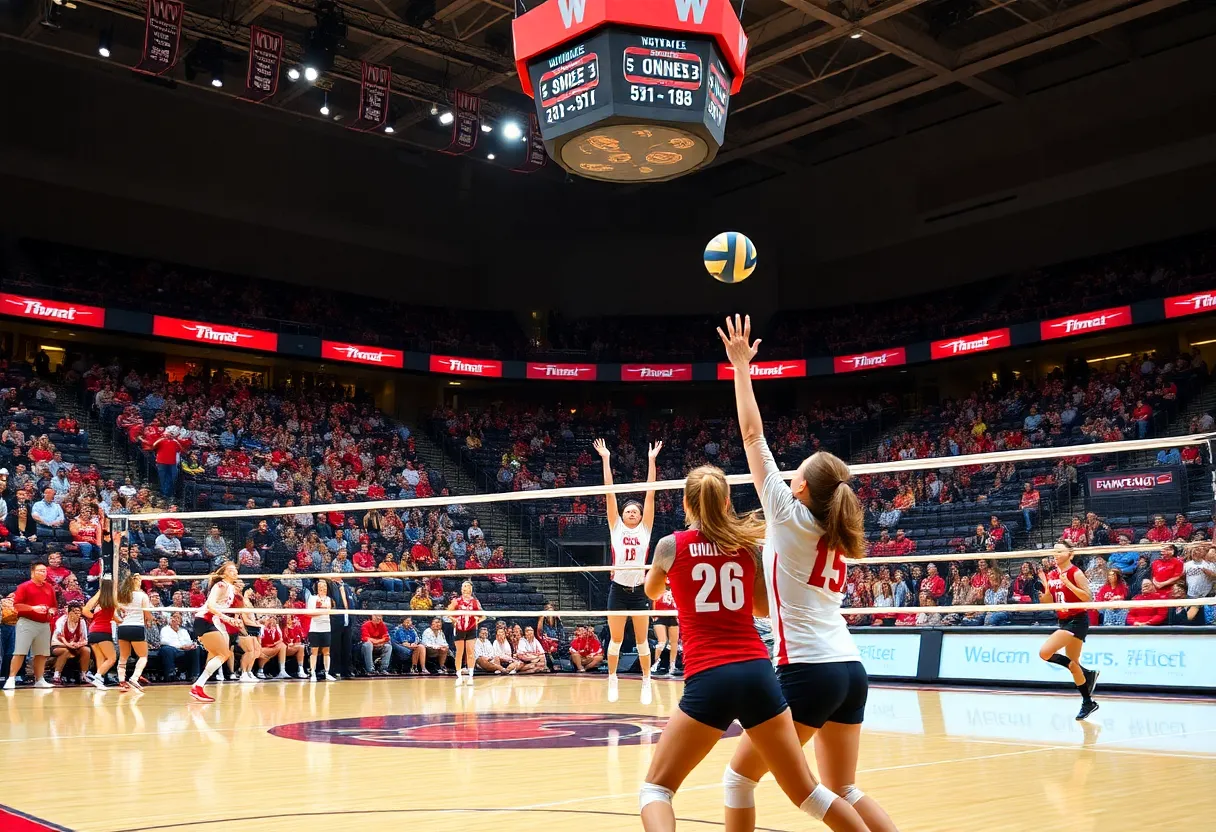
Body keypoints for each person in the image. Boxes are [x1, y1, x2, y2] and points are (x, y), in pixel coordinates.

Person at [717, 314, 897, 832]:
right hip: (850, 668)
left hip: (808, 670)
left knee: (739, 780)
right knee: (844, 787)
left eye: (796, 470)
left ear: (799, 488)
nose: (788, 472)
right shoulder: (836, 530)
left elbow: (752, 434)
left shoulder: (786, 513)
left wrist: (741, 367)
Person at [638, 459, 867, 832]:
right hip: (758, 673)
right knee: (808, 792)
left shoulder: (669, 546)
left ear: (686, 504)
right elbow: (760, 607)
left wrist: (677, 579)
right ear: (727, 501)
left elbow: (651, 591)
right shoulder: (747, 548)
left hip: (709, 676)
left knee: (656, 790)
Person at [593, 435, 662, 704]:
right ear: (621, 515)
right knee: (616, 639)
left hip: (640, 591)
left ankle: (646, 680)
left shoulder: (645, 529)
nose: (632, 513)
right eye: (629, 511)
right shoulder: (616, 528)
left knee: (643, 641)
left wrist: (651, 460)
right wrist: (606, 459)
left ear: (642, 516)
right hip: (618, 590)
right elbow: (609, 492)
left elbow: (651, 493)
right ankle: (612, 679)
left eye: (636, 511)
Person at [1037, 542, 1099, 720]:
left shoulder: (1075, 573)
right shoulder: (1052, 574)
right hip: (1063, 620)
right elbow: (1048, 603)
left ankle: (1086, 673)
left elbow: (1088, 598)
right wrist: (1045, 588)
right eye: (1054, 551)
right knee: (1073, 664)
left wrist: (1068, 583)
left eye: (1059, 551)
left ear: (1070, 554)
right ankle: (1088, 702)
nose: (1055, 554)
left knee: (1045, 652)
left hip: (1077, 620)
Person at [189, 562, 242, 703]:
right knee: (224, 654)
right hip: (205, 620)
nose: (235, 572)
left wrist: (232, 620)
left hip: (213, 622)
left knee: (216, 654)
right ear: (224, 574)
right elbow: (211, 606)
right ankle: (197, 686)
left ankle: (198, 686)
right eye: (231, 570)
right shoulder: (221, 585)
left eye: (235, 570)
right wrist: (227, 618)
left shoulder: (231, 588)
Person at [4, 561, 58, 690]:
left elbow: (54, 606)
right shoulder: (24, 587)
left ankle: (39, 679)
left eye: (45, 571)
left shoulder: (49, 587)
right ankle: (11, 678)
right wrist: (33, 608)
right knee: (20, 652)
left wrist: (52, 610)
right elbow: (17, 605)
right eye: (40, 571)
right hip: (27, 622)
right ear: (32, 573)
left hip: (44, 623)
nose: (43, 573)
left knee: (42, 653)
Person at [115, 572, 152, 692]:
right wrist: (151, 620)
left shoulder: (121, 595)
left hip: (123, 627)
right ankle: (134, 678)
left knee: (123, 657)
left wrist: (119, 620)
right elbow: (147, 614)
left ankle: (121, 681)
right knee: (143, 656)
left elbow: (115, 611)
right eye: (139, 580)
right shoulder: (142, 596)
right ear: (136, 581)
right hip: (136, 627)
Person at [83, 576, 117, 691]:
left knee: (100, 658)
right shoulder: (112, 600)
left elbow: (85, 610)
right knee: (112, 658)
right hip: (103, 631)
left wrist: (95, 618)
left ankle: (99, 682)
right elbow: (117, 612)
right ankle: (97, 676)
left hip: (93, 631)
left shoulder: (98, 602)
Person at [448, 580, 484, 687]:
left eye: (467, 586)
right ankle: (459, 676)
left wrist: (477, 621)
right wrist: (455, 620)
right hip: (459, 628)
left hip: (471, 628)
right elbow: (448, 613)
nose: (464, 588)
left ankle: (470, 676)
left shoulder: (475, 602)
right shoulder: (456, 601)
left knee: (470, 652)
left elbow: (483, 615)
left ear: (471, 589)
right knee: (459, 652)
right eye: (463, 586)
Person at [50, 600, 91, 685]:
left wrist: (79, 644)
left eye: (79, 612)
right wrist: (68, 645)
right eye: (75, 612)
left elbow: (85, 640)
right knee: (65, 651)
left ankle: (84, 675)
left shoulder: (82, 622)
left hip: (75, 646)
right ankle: (56, 675)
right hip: (59, 645)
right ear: (69, 613)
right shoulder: (61, 621)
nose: (77, 614)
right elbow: (57, 639)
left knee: (86, 650)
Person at [306, 580, 336, 681]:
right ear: (317, 588)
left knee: (326, 652)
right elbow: (309, 613)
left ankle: (327, 673)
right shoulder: (312, 598)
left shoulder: (329, 599)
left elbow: (330, 612)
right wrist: (322, 611)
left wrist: (323, 611)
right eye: (320, 586)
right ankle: (313, 673)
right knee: (314, 651)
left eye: (325, 586)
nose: (323, 588)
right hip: (315, 628)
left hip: (326, 628)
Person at [159, 612, 200, 681]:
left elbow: (189, 642)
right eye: (174, 617)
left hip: (184, 650)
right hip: (173, 649)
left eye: (178, 618)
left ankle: (195, 675)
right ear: (170, 619)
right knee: (166, 649)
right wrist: (181, 646)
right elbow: (164, 641)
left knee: (196, 649)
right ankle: (171, 674)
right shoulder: (165, 629)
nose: (176, 619)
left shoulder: (184, 631)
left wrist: (190, 646)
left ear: (180, 621)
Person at [651, 583, 680, 677]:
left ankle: (672, 665)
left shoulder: (675, 587)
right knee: (662, 641)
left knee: (673, 642)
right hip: (660, 614)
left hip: (673, 614)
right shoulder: (658, 585)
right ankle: (656, 664)